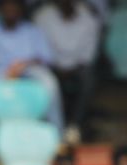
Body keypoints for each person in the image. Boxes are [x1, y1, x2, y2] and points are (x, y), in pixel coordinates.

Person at [0, 0, 63, 130]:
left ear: (21, 10)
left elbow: (46, 59)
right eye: (7, 5)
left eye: (14, 6)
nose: (10, 9)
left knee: (50, 82)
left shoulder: (33, 30)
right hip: (0, 72)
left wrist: (23, 64)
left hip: (30, 70)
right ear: (0, 9)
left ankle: (57, 132)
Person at [32, 0, 100, 140]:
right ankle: (53, 127)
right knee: (44, 81)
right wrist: (56, 67)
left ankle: (75, 125)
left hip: (78, 67)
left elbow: (88, 53)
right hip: (51, 65)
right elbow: (40, 48)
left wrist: (72, 69)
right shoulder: (43, 16)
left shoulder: (88, 18)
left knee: (88, 79)